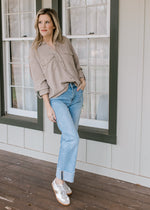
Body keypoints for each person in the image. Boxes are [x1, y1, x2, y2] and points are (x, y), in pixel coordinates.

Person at [29, 8, 86, 206]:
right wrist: (48, 105)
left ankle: (61, 178)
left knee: (68, 138)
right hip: (57, 98)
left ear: (53, 24)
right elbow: (39, 80)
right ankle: (59, 180)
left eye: (46, 22)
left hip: (76, 94)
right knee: (72, 137)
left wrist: (82, 79)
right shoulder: (36, 49)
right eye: (40, 22)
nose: (42, 26)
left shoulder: (65, 42)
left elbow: (76, 63)